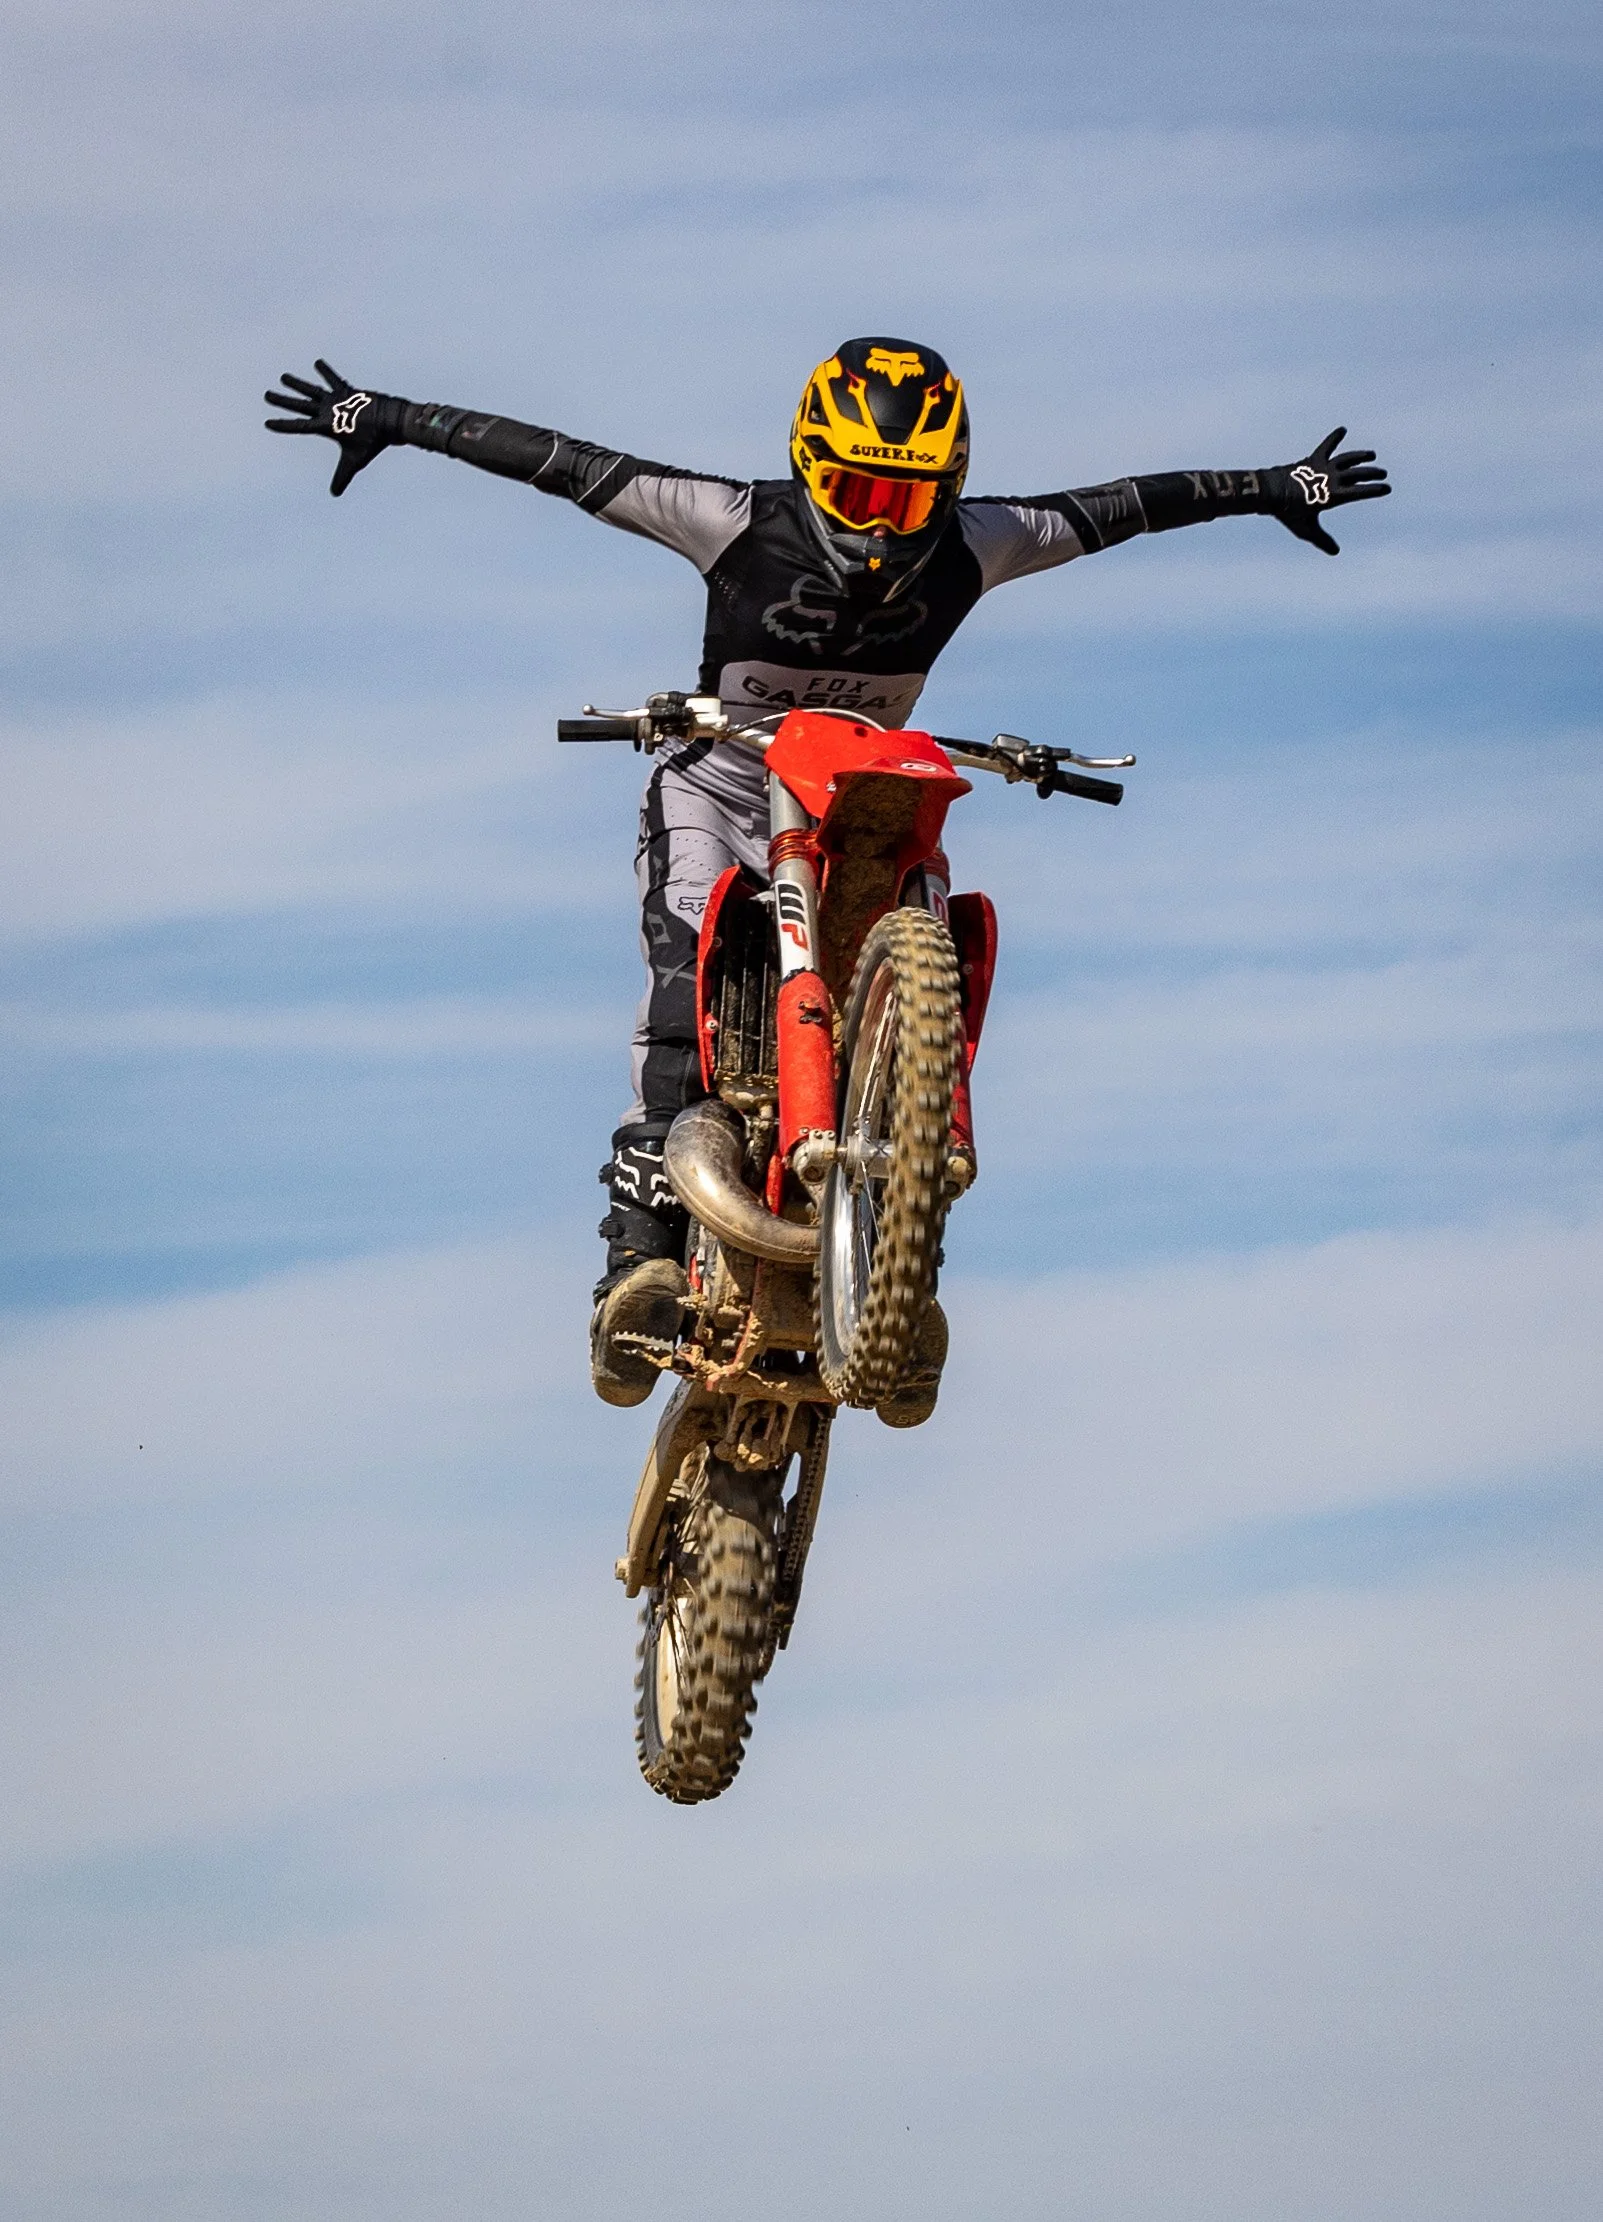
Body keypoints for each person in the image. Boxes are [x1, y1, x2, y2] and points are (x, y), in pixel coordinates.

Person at [265, 338, 1390, 1410]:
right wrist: (393, 420)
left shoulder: (980, 540)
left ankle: (903, 1261)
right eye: (857, 493)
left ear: (946, 489)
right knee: (676, 987)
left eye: (907, 501)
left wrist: (1273, 486)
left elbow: (1124, 507)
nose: (882, 526)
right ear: (811, 465)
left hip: (863, 794)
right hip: (721, 782)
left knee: (929, 930)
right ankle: (638, 1261)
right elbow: (561, 463)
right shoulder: (730, 519)